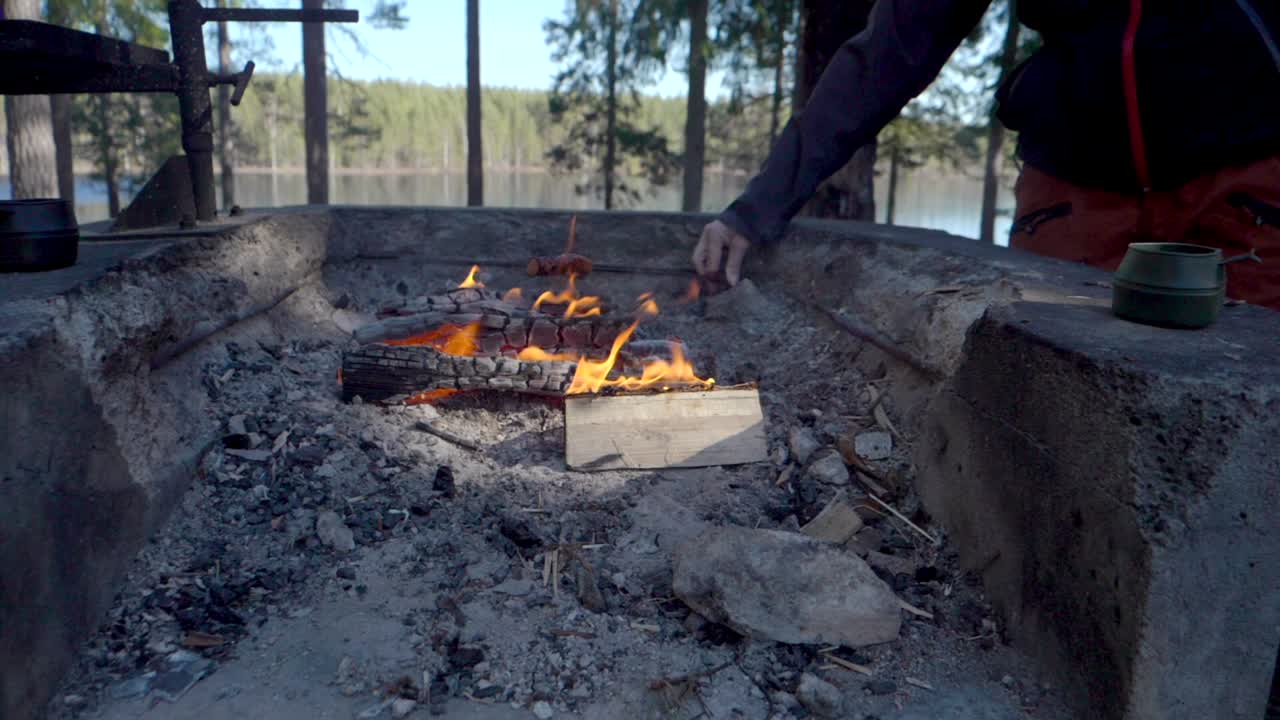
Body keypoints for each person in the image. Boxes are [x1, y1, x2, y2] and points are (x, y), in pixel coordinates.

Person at [693, 1, 1280, 309]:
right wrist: (755, 209)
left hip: (1248, 184)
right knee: (1042, 397)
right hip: (1071, 192)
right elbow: (889, 52)